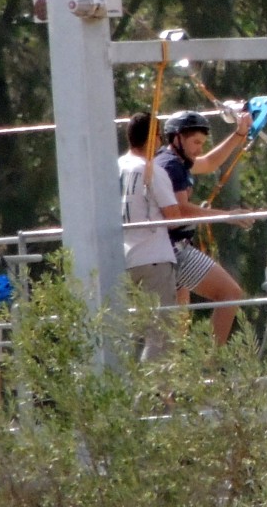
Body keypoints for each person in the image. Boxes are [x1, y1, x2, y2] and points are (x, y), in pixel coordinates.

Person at [156, 109, 255, 345]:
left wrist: (240, 134)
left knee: (176, 328)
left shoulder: (171, 161)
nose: (199, 148)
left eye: (202, 142)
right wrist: (227, 216)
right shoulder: (172, 166)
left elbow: (210, 162)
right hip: (175, 249)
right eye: (195, 142)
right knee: (230, 294)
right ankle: (209, 365)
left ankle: (183, 375)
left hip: (165, 250)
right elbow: (182, 209)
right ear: (177, 138)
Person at [118, 111, 182, 361]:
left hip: (122, 260)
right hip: (154, 258)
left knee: (130, 333)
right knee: (162, 333)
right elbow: (174, 217)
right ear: (153, 138)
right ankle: (151, 394)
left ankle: (131, 389)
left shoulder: (115, 168)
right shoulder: (151, 170)